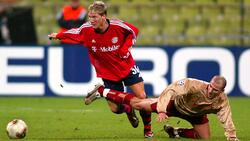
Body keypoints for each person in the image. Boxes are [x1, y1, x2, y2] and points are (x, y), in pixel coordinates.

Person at [48, 1, 153, 138]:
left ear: (103, 17)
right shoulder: (87, 29)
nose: (91, 20)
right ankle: (129, 109)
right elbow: (75, 33)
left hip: (126, 66)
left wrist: (125, 48)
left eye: (95, 17)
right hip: (108, 72)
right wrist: (59, 35)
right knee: (115, 109)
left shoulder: (117, 25)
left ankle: (147, 129)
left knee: (142, 97)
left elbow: (134, 32)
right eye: (90, 17)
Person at [85, 75, 239, 141]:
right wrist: (163, 109)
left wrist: (232, 137)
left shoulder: (222, 101)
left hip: (195, 115)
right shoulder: (193, 84)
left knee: (205, 137)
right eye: (210, 86)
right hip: (174, 105)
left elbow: (226, 117)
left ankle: (175, 131)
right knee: (139, 103)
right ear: (209, 83)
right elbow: (170, 90)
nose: (211, 91)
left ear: (222, 91)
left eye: (215, 90)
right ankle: (102, 90)